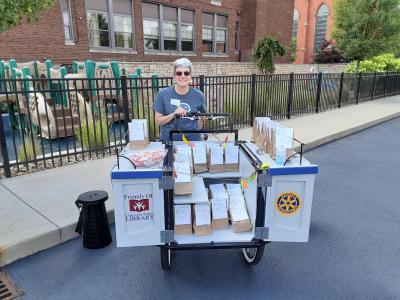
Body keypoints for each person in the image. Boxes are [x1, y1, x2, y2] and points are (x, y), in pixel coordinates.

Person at [154, 58, 207, 143]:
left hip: (192, 142)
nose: (183, 76)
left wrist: (197, 131)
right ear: (174, 76)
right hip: (169, 141)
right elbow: (158, 121)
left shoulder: (198, 95)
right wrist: (173, 114)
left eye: (186, 73)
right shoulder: (163, 94)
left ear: (190, 76)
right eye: (179, 73)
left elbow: (203, 115)